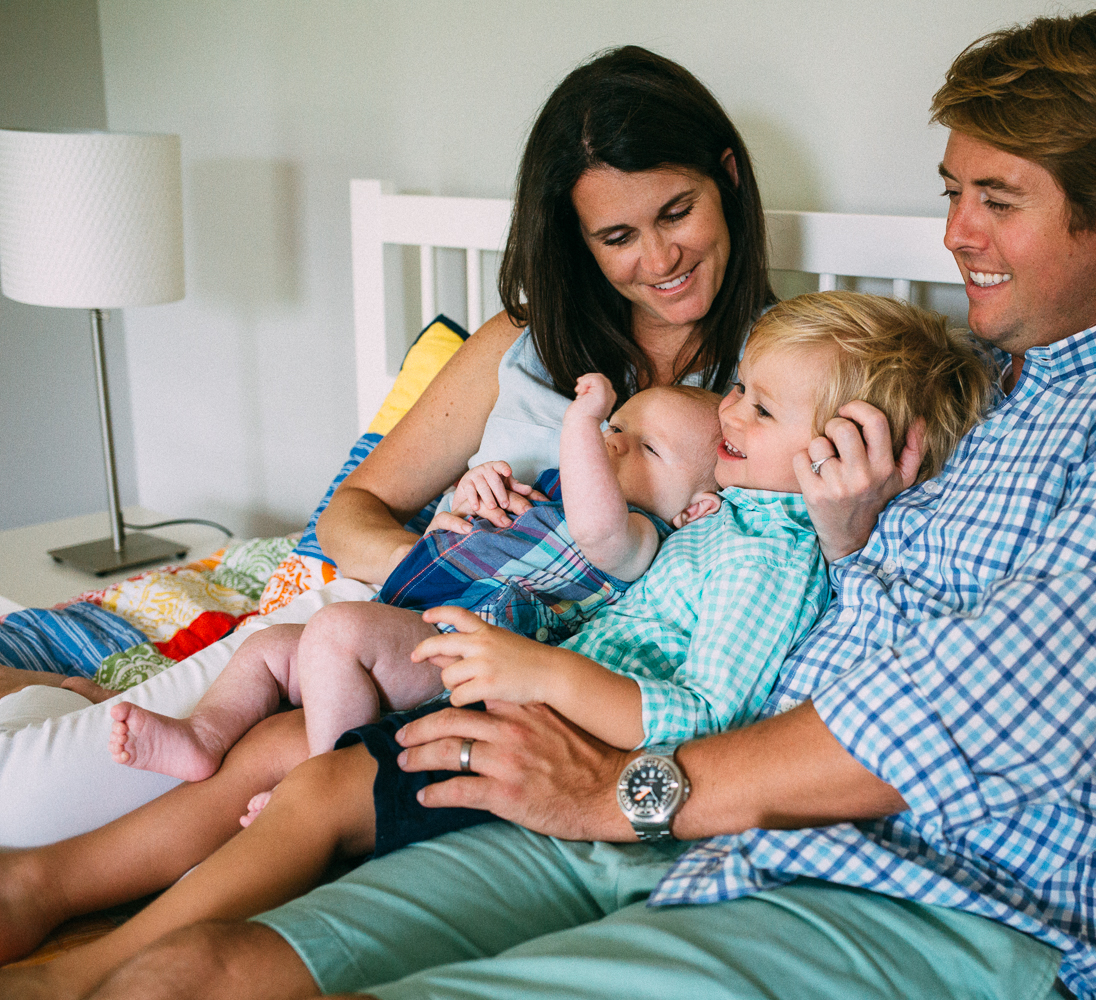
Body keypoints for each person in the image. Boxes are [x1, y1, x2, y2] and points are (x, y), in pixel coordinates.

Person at [62, 11, 1096, 1000]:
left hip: (921, 901)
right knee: (188, 970)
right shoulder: (953, 379)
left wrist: (626, 786)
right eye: (952, 190)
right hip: (693, 822)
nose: (955, 235)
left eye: (998, 200)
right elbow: (828, 580)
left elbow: (967, 710)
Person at [0, 42, 848, 962]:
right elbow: (348, 513)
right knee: (45, 782)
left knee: (195, 767)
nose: (658, 259)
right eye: (616, 237)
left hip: (495, 659)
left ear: (727, 179)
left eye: (677, 212)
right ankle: (60, 713)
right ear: (576, 238)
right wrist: (437, 539)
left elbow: (806, 559)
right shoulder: (522, 339)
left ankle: (48, 852)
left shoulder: (783, 389)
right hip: (369, 609)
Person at [0, 290, 992, 1000]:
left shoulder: (765, 550)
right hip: (491, 663)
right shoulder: (722, 519)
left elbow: (702, 712)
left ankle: (83, 940)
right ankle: (64, 907)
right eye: (735, 393)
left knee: (303, 779)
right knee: (296, 751)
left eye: (757, 407)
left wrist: (536, 665)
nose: (730, 409)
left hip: (558, 722)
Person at [105, 381, 725, 785]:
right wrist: (473, 491)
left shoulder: (638, 536)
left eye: (647, 449)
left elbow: (596, 525)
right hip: (408, 615)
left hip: (469, 652)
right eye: (617, 426)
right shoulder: (550, 494)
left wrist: (582, 422)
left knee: (335, 633)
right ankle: (204, 734)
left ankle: (318, 787)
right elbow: (461, 533)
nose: (612, 445)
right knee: (266, 649)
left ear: (694, 508)